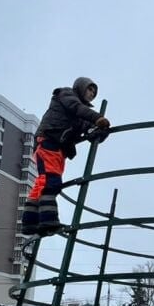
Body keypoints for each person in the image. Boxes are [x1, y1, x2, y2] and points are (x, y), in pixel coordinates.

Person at [21, 77, 111, 236]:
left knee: (42, 182)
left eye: (94, 92)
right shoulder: (67, 95)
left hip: (57, 146)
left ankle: (30, 222)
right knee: (51, 180)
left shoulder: (79, 115)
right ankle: (48, 220)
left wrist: (99, 131)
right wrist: (98, 118)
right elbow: (77, 109)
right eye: (90, 89)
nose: (91, 94)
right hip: (50, 140)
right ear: (80, 87)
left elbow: (87, 127)